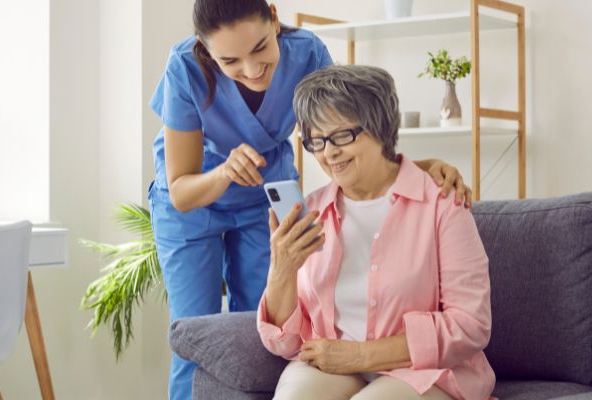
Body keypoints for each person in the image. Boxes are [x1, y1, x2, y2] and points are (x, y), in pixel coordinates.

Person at [148, 1, 473, 398]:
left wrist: (415, 167)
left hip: (266, 196)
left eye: (260, 49)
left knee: (263, 332)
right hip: (193, 203)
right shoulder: (185, 67)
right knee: (194, 334)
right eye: (230, 61)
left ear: (273, 16)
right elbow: (181, 190)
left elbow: (349, 129)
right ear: (204, 46)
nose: (251, 71)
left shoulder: (307, 52)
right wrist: (224, 172)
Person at [258, 65, 495, 400]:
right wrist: (282, 269)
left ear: (380, 129)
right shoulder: (310, 211)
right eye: (317, 141)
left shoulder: (441, 203)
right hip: (332, 366)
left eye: (341, 136)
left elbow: (470, 325)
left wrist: (358, 355)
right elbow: (284, 342)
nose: (329, 152)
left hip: (425, 371)